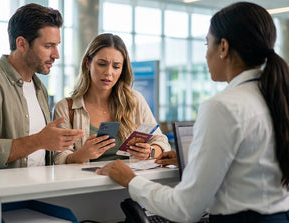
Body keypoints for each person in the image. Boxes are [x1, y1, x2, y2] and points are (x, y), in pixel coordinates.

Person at [97, 2, 289, 223]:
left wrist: (130, 180)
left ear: (223, 47)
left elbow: (185, 209)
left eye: (208, 44)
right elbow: (254, 168)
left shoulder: (223, 106)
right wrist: (193, 161)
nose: (206, 55)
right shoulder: (277, 97)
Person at [0, 3, 84, 172]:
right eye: (48, 46)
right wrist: (39, 141)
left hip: (37, 191)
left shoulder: (40, 88)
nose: (56, 55)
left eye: (57, 46)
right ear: (22, 44)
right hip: (1, 196)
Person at [52, 33, 170, 164]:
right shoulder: (66, 107)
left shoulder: (134, 100)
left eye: (116, 67)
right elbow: (58, 158)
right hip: (85, 183)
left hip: (128, 180)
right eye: (102, 64)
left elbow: (161, 141)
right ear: (88, 63)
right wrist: (82, 154)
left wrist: (150, 151)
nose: (109, 72)